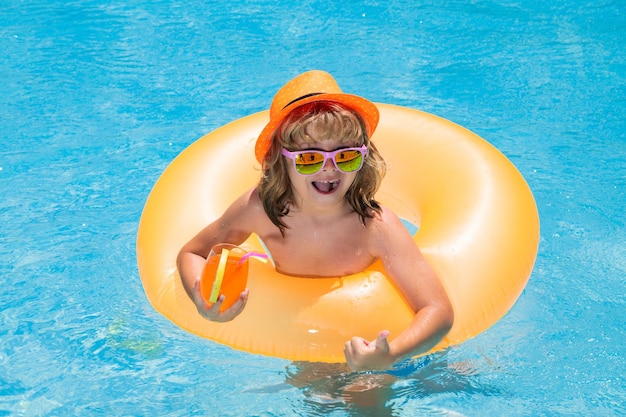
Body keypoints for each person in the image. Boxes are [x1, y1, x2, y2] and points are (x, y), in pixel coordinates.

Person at [177, 70, 453, 371]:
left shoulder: (375, 226)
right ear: (280, 161)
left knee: (366, 396)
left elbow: (437, 311)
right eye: (310, 159)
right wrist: (202, 299)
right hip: (307, 346)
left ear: (363, 159)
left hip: (383, 348)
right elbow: (193, 252)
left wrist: (390, 355)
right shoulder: (261, 210)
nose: (329, 168)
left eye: (345, 156)